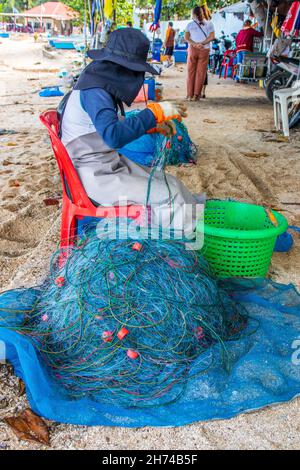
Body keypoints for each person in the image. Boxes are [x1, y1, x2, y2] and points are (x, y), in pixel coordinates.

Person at [61, 29, 198, 234]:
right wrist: (153, 114)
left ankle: (200, 226)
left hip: (107, 165)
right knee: (168, 196)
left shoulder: (98, 82)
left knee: (171, 183)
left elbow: (106, 124)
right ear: (122, 68)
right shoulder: (95, 91)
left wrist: (151, 125)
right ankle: (186, 251)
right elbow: (113, 135)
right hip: (93, 176)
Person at [185, 6, 215, 101]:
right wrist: (202, 44)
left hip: (193, 49)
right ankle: (196, 95)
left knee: (191, 72)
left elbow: (186, 38)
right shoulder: (209, 24)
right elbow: (212, 37)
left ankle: (189, 95)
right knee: (201, 73)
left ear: (193, 14)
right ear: (202, 13)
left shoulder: (189, 24)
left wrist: (195, 44)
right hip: (204, 49)